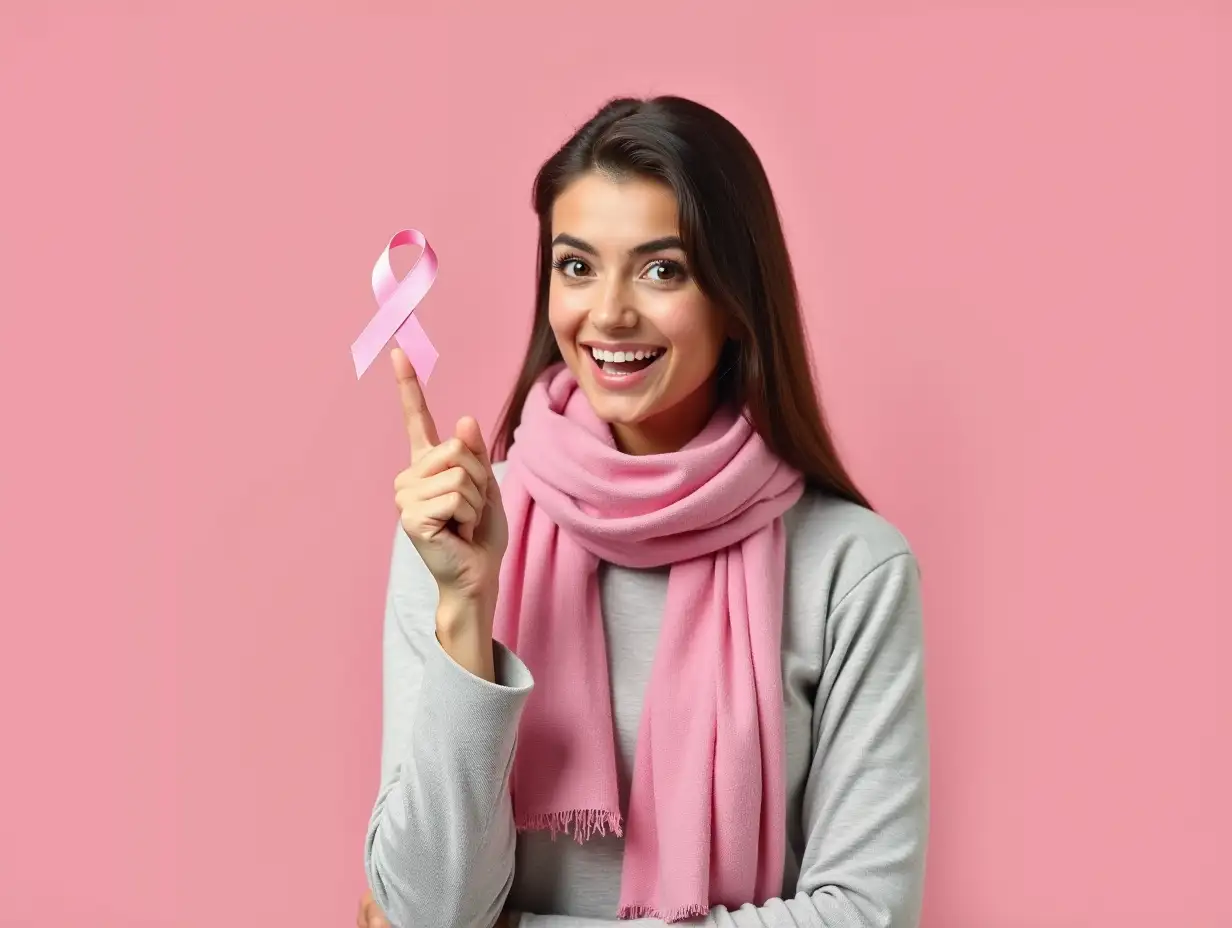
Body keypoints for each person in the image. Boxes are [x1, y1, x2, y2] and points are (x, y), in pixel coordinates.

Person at [358, 95, 930, 928]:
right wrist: (464, 614)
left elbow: (866, 917)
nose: (610, 313)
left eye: (663, 269)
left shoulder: (853, 570)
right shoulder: (454, 533)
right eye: (577, 266)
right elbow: (429, 911)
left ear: (736, 298)